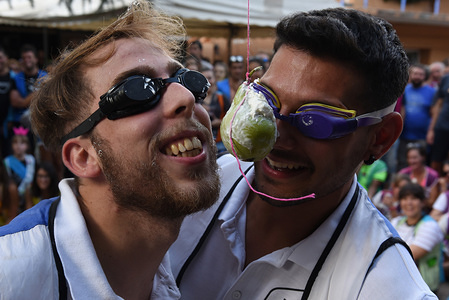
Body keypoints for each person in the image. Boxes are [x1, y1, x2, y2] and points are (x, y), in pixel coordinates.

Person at [170, 8, 437, 299]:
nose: (277, 138)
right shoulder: (200, 185)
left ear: (380, 138)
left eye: (317, 120)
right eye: (267, 102)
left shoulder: (386, 287)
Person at [0, 1, 220, 299]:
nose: (186, 97)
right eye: (137, 89)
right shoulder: (11, 273)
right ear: (83, 157)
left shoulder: (193, 260)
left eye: (188, 81)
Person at [391, 183, 444, 292]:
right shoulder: (396, 222)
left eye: (414, 198)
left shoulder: (430, 226)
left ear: (423, 202)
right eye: (404, 198)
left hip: (423, 289)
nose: (409, 203)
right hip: (397, 283)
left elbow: (407, 256)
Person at [397, 64, 435, 171]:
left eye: (421, 74)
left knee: (420, 163)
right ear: (411, 75)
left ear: (425, 76)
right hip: (404, 135)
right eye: (415, 74)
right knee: (402, 162)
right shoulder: (404, 90)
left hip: (422, 136)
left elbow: (434, 113)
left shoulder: (432, 92)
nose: (417, 76)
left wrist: (431, 132)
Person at [8, 44, 47, 129]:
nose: (26, 60)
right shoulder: (16, 78)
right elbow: (15, 102)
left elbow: (49, 101)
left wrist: (24, 101)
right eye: (24, 58)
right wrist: (35, 96)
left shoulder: (46, 77)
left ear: (36, 59)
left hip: (42, 123)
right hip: (20, 124)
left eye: (29, 57)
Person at [3, 126, 36, 212]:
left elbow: (29, 177)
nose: (18, 146)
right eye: (15, 143)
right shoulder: (7, 161)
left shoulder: (30, 159)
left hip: (27, 189)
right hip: (12, 191)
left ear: (27, 146)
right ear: (12, 145)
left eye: (22, 143)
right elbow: (7, 178)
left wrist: (21, 190)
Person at [398, 142, 439, 210]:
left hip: (425, 211)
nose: (411, 161)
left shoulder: (432, 175)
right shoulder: (403, 173)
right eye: (409, 158)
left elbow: (432, 202)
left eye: (414, 158)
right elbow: (398, 196)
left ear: (423, 157)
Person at [201, 67, 230, 154]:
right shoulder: (195, 100)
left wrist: (220, 122)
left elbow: (233, 119)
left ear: (214, 79)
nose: (207, 81)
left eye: (209, 78)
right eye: (204, 78)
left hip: (221, 144)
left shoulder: (221, 97)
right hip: (202, 143)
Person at [427, 71, 449, 177]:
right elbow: (438, 105)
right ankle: (435, 189)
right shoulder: (446, 79)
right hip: (441, 127)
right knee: (436, 161)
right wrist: (431, 129)